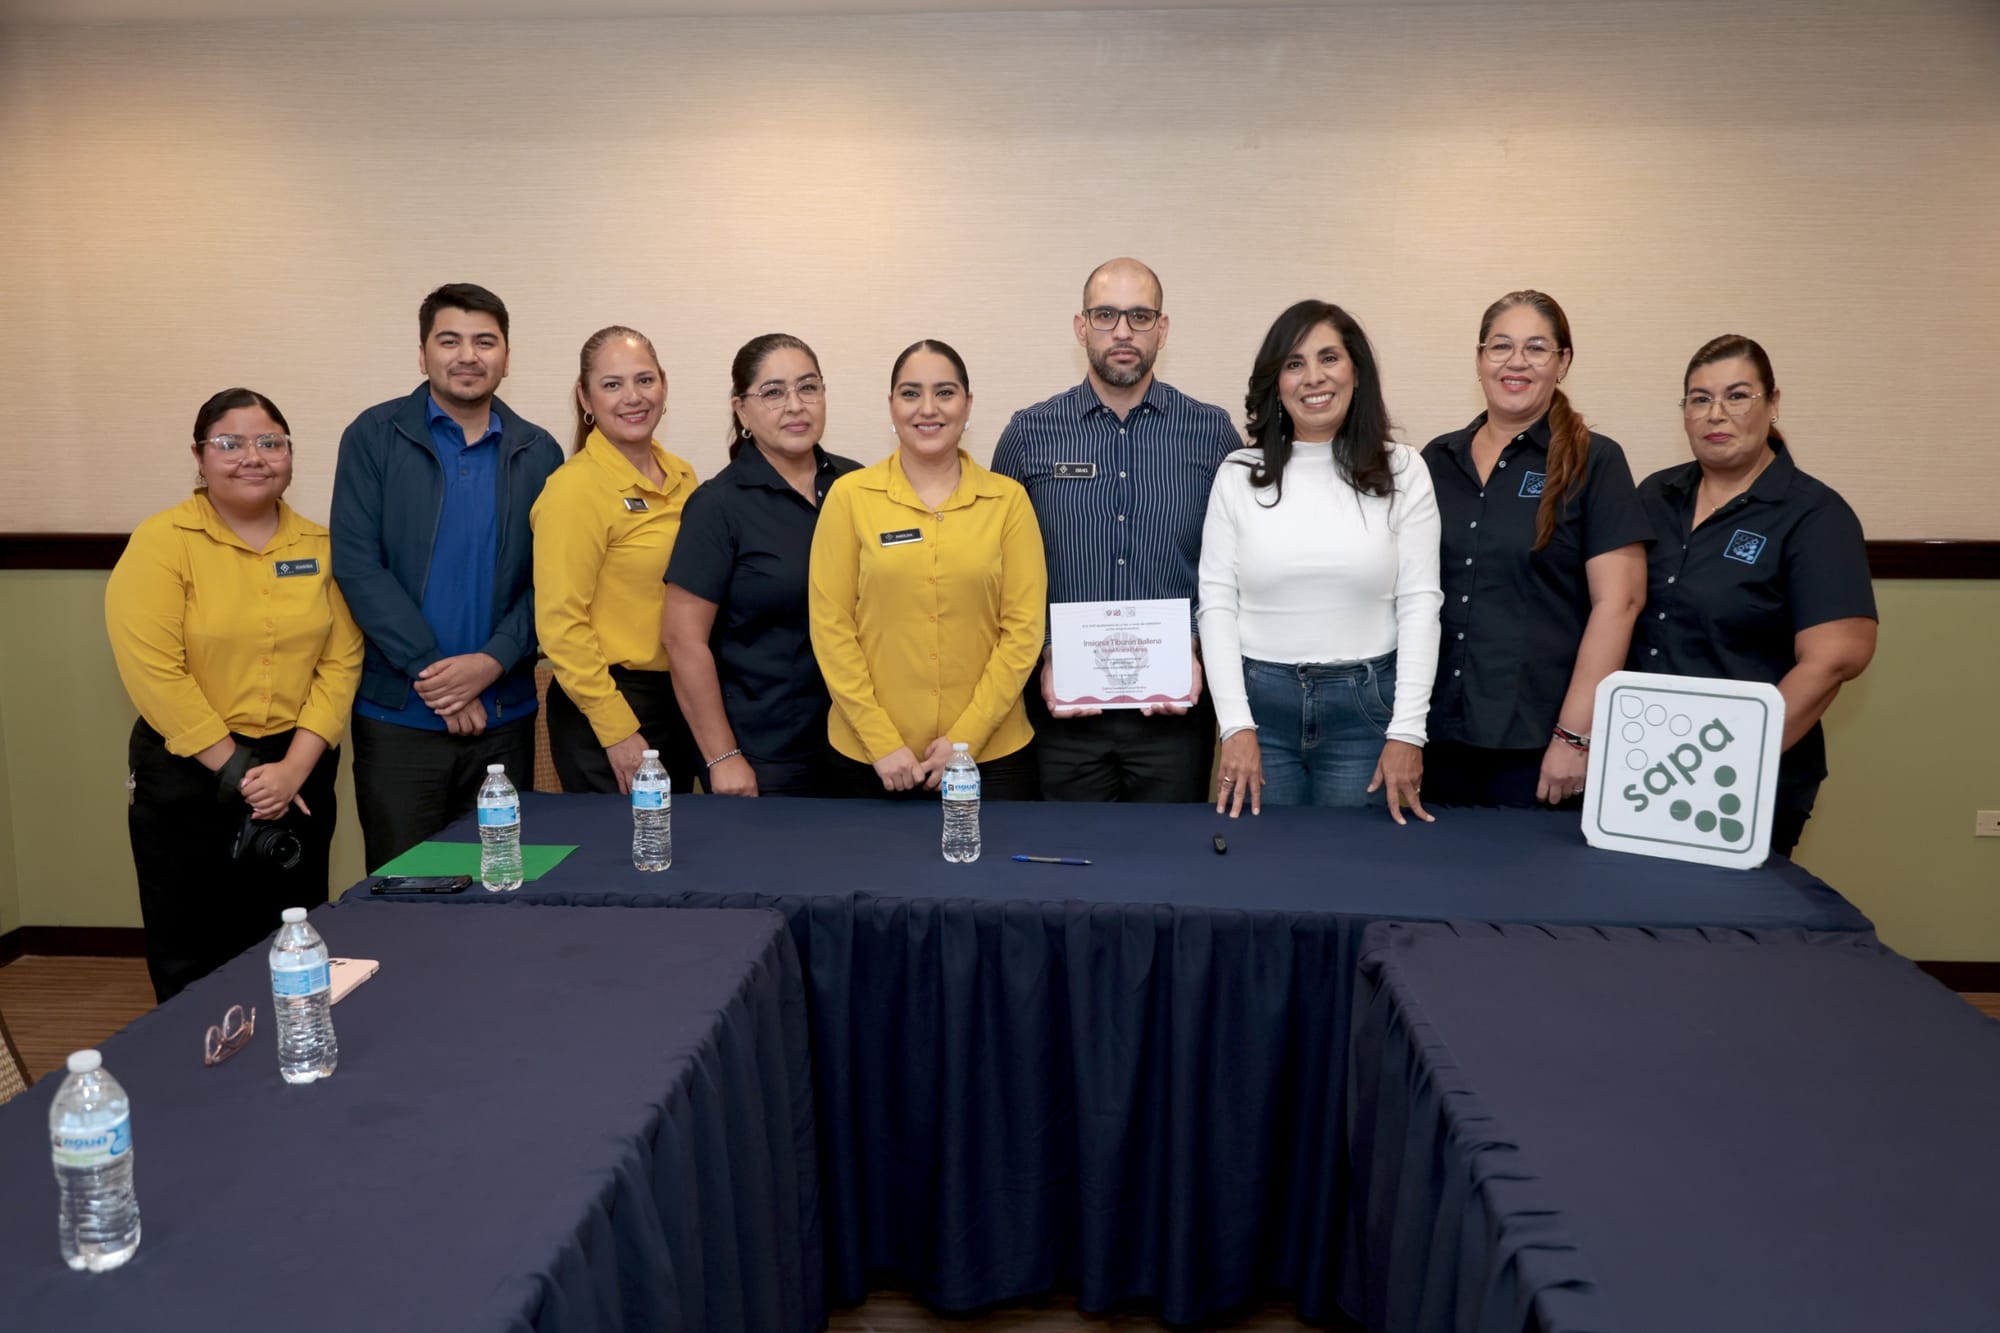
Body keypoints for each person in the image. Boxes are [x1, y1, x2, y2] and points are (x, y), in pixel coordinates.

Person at [106, 389, 363, 1002]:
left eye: (270, 442)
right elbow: (155, 670)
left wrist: (293, 769)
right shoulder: (162, 541)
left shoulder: (319, 546)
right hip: (191, 768)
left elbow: (341, 659)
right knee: (190, 945)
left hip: (298, 768)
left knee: (291, 936)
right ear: (199, 456)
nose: (253, 457)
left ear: (290, 455)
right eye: (230, 443)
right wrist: (243, 773)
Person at [331, 283, 562, 872]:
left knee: (502, 883)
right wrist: (434, 673)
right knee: (404, 887)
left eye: (485, 341)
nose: (468, 356)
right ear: (422, 354)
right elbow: (357, 564)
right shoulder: (374, 436)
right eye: (450, 340)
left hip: (504, 716)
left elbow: (554, 583)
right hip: (398, 717)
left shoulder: (539, 452)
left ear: (506, 357)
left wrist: (490, 663)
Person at [992, 258, 1239, 802]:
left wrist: (1195, 644)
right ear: (1081, 326)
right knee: (1065, 852)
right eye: (1105, 315)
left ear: (1162, 329)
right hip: (1060, 710)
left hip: (1175, 712)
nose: (1122, 331)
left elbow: (1233, 564)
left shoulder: (1211, 433)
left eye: (1139, 316)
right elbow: (1000, 569)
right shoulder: (1030, 434)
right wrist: (1048, 649)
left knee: (1169, 853)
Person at [1632, 335, 1876, 857]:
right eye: (1700, 399)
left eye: (1737, 396)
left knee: (1722, 912)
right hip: (1641, 765)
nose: (1715, 414)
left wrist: (1732, 761)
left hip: (1744, 777)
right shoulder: (1654, 496)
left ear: (1773, 402)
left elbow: (1835, 658)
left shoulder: (1815, 515)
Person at [1200, 301, 1442, 821]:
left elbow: (1421, 605)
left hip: (1367, 713)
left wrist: (1408, 731)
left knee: (1355, 866)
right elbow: (1216, 605)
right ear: (1276, 382)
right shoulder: (1238, 474)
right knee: (1262, 862)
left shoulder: (1404, 470)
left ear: (1356, 370)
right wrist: (1235, 726)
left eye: (1329, 358)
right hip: (1259, 710)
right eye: (1294, 363)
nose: (1314, 377)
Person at [1421, 290, 1650, 807]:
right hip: (1436, 737)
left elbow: (1620, 602)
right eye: (1501, 346)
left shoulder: (1596, 462)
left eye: (1537, 348)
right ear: (1480, 358)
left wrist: (1575, 736)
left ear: (1563, 362)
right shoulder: (1437, 460)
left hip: (1539, 748)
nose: (1516, 361)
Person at [808, 340, 1047, 799]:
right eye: (911, 393)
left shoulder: (1008, 501)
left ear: (968, 404)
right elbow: (831, 628)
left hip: (992, 759)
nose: (928, 408)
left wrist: (967, 739)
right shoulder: (850, 497)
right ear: (892, 405)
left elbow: (1023, 631)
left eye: (945, 392)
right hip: (869, 760)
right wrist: (880, 741)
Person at [662, 334, 860, 797]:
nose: (795, 405)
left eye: (808, 387)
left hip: (862, 744)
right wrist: (723, 757)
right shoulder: (718, 505)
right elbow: (682, 640)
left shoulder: (857, 485)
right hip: (765, 753)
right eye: (773, 392)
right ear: (742, 410)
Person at [532, 325, 703, 795]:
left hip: (679, 700)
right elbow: (561, 625)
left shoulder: (683, 476)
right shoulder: (574, 489)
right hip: (608, 709)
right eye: (612, 384)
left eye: (644, 380)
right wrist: (617, 730)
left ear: (664, 386)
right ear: (585, 398)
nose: (633, 397)